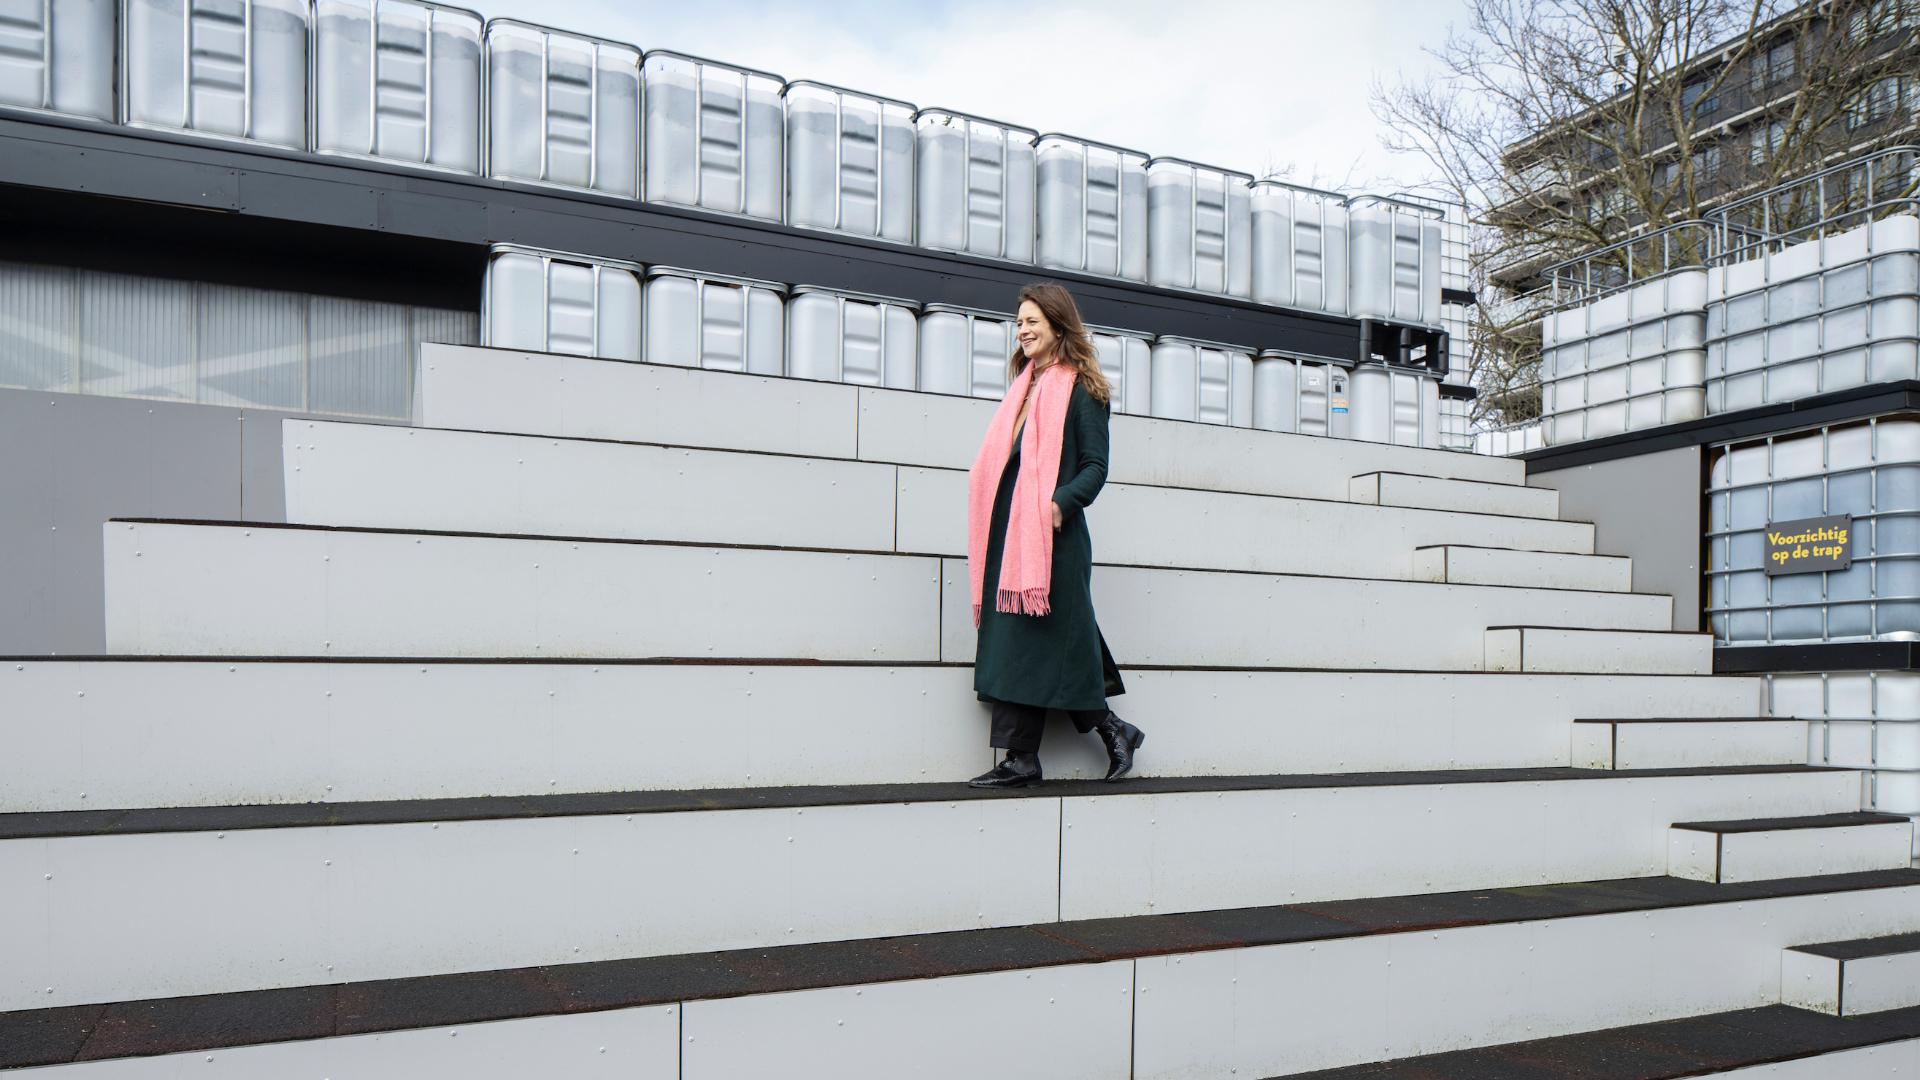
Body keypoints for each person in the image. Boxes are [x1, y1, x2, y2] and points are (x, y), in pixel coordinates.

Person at [966, 282, 1145, 789]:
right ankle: (1022, 758)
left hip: (1053, 539)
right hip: (1010, 536)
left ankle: (1110, 731)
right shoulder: (1021, 390)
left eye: (1031, 321)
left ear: (1058, 326)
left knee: (1056, 643)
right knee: (1010, 642)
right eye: (1019, 322)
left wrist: (1059, 503)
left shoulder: (1083, 389)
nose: (1021, 330)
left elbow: (1095, 467)